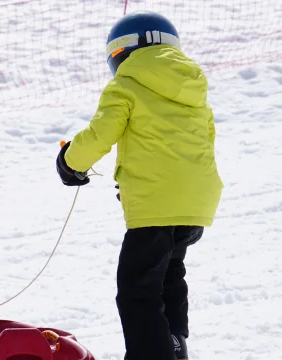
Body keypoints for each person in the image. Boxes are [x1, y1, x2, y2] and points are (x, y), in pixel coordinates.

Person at [55, 11, 223, 360]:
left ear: (120, 53)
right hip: (196, 205)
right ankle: (175, 346)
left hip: (155, 208)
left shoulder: (126, 85)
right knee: (169, 276)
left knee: (137, 288)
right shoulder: (194, 90)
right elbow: (202, 144)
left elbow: (102, 133)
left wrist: (71, 162)